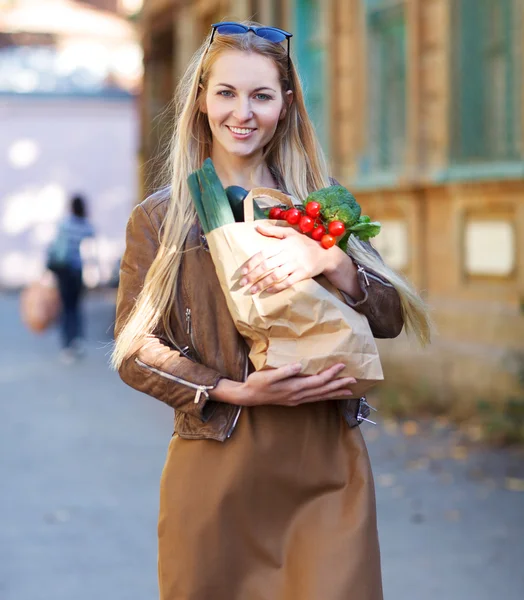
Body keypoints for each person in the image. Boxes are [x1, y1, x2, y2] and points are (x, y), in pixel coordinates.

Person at [112, 21, 432, 600]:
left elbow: (389, 317)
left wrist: (327, 258)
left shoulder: (317, 199)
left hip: (325, 461)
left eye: (261, 95)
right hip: (218, 465)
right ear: (202, 101)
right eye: (227, 93)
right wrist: (237, 391)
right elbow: (135, 352)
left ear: (285, 105)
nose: (244, 112)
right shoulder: (160, 219)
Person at [52, 194, 94, 363]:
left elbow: (56, 247)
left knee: (66, 307)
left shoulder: (65, 224)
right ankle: (78, 340)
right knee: (76, 306)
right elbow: (90, 250)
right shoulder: (87, 226)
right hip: (78, 272)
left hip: (63, 270)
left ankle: (67, 344)